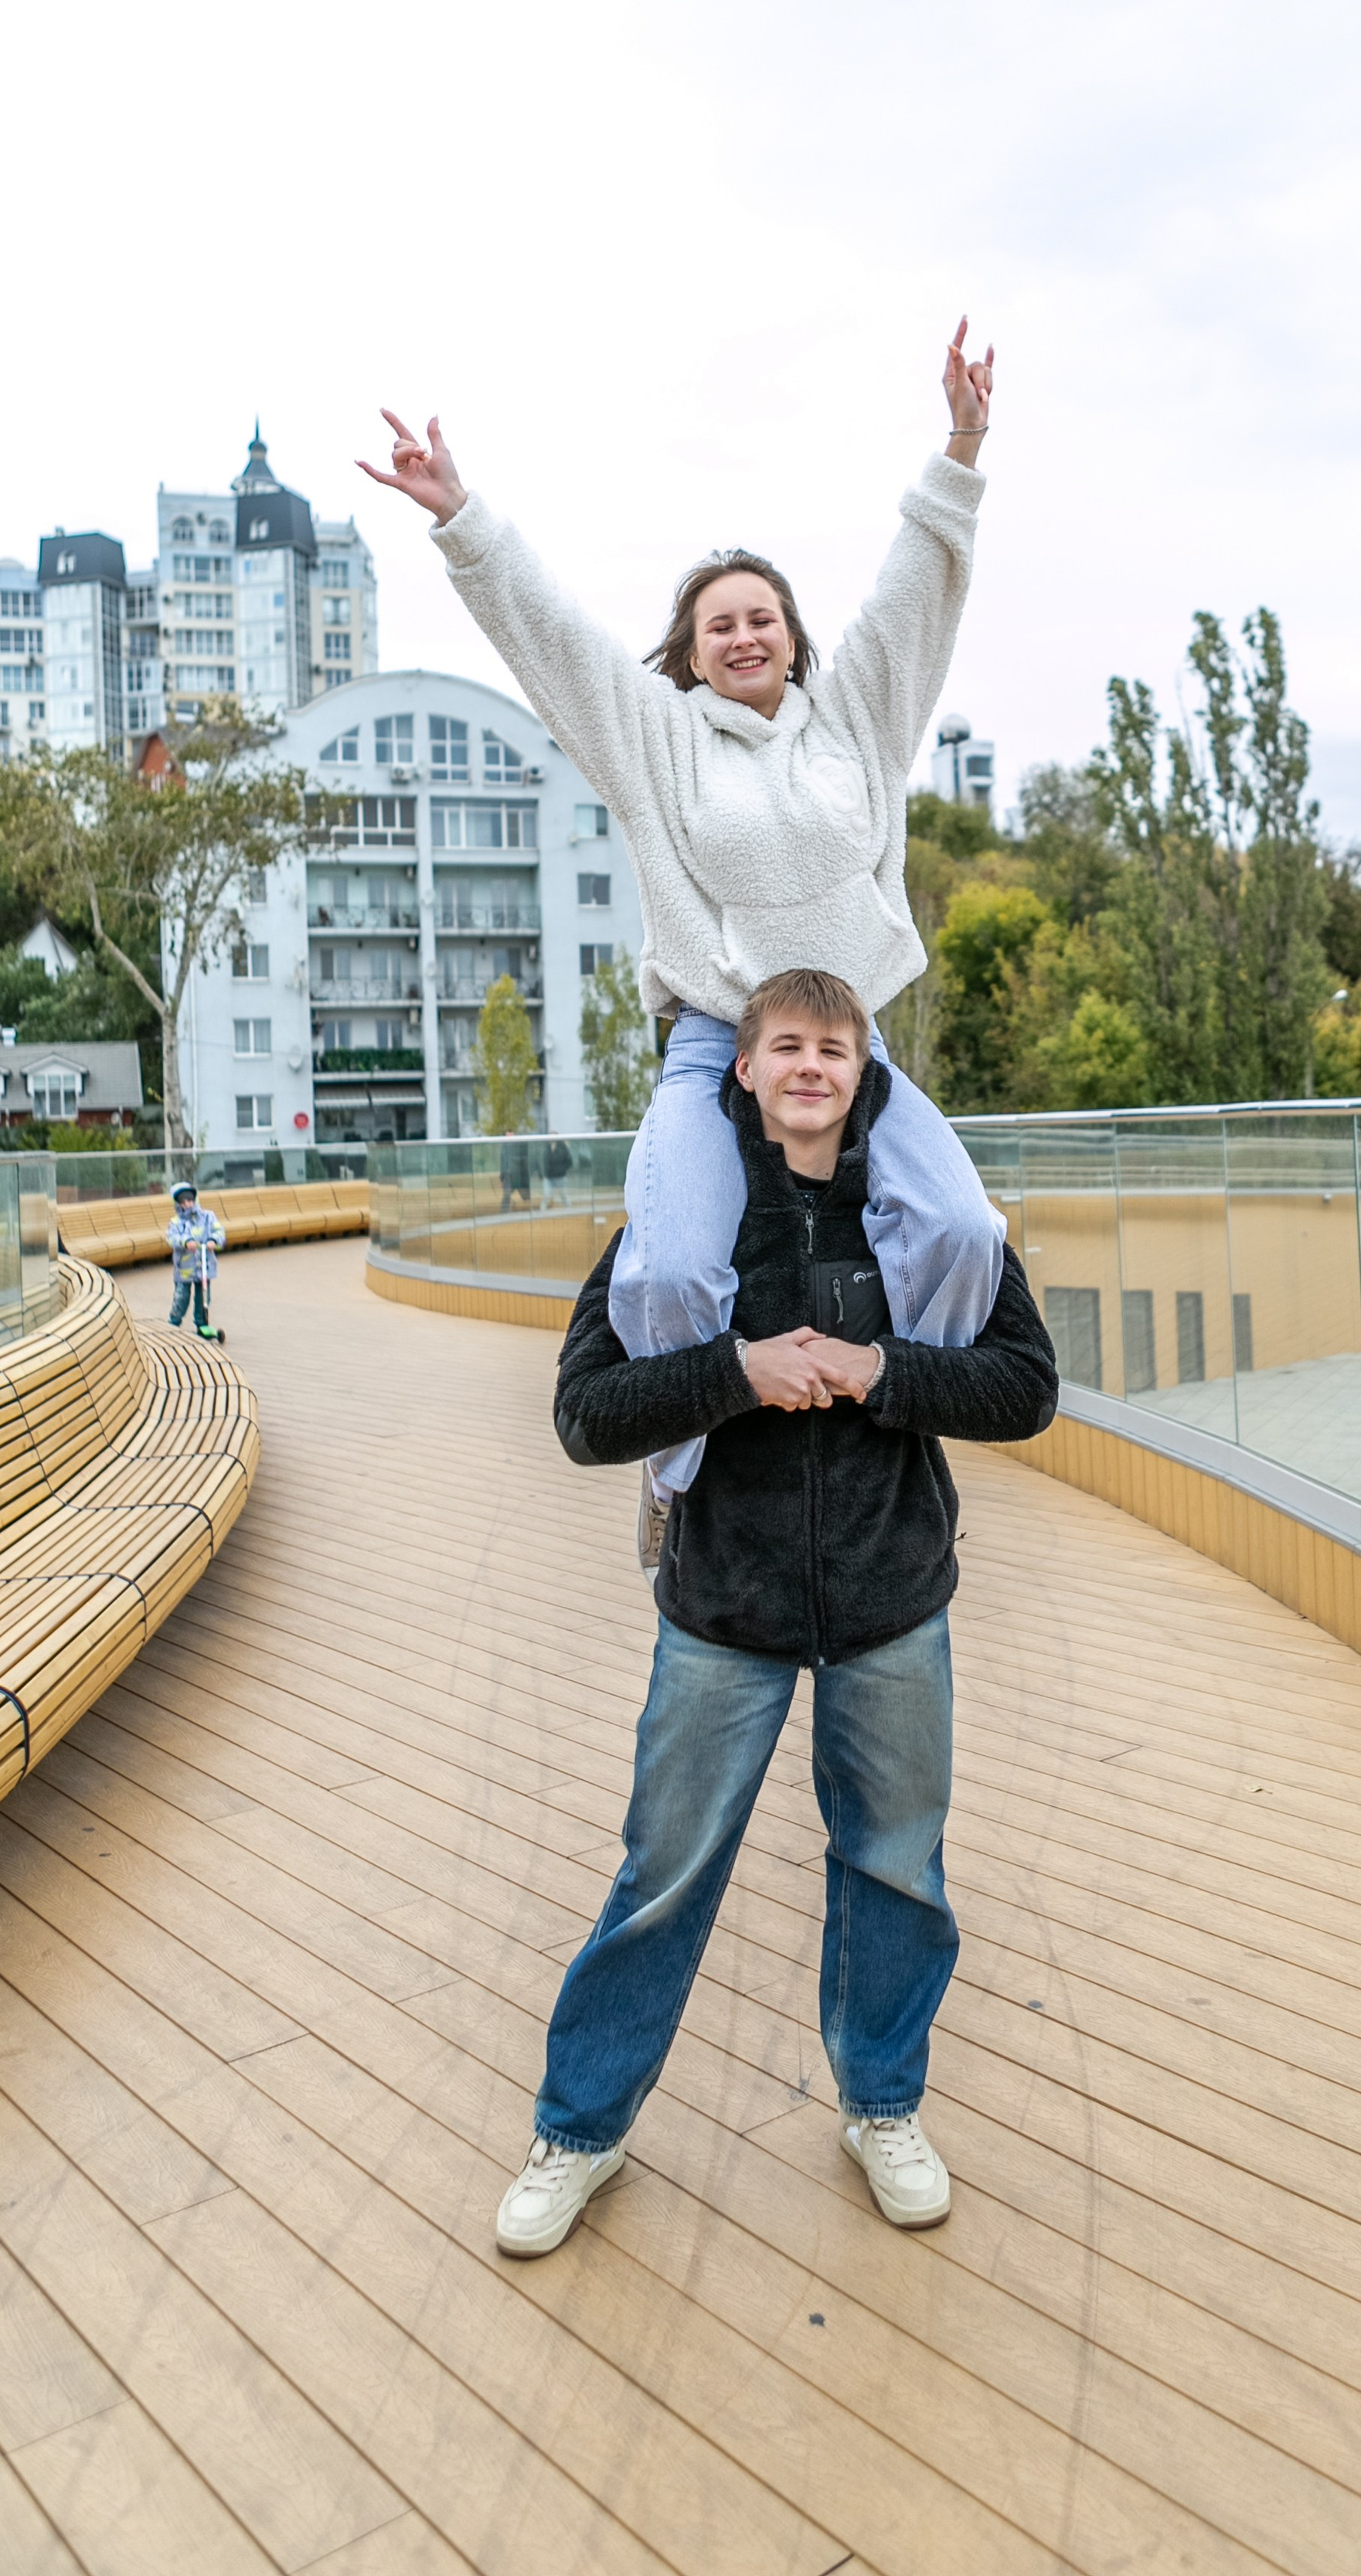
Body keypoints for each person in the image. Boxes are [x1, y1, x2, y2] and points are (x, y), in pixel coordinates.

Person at [359, 323, 1007, 1559]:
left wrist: (964, 443)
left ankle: (897, 1411)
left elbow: (921, 587)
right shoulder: (656, 738)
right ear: (692, 648)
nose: (745, 634)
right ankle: (674, 1476)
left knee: (966, 1232)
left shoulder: (860, 714)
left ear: (793, 637)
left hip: (846, 1043)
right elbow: (551, 641)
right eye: (720, 623)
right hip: (718, 1044)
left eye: (763, 616)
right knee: (664, 1272)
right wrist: (461, 517)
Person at [493, 967, 1057, 2259]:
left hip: (891, 1600)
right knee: (662, 1877)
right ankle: (579, 2130)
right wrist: (737, 1374)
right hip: (724, 1613)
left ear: (868, 1076)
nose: (812, 1067)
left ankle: (883, 2106)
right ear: (739, 1071)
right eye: (786, 1047)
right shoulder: (678, 1225)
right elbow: (587, 1415)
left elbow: (1026, 1387)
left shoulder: (921, 1223)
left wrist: (881, 1369)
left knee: (896, 1869)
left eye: (836, 1050)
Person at [165, 1180, 225, 1340]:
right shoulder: (176, 1222)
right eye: (183, 1202)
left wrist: (214, 1240)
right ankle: (173, 1323)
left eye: (190, 1200)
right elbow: (171, 1238)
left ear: (195, 1200)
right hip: (185, 1267)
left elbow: (219, 1231)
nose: (188, 1204)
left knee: (204, 1296)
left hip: (204, 1266)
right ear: (178, 1204)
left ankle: (202, 1324)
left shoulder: (208, 1217)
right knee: (181, 1297)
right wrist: (185, 1242)